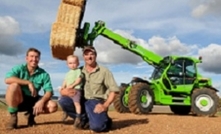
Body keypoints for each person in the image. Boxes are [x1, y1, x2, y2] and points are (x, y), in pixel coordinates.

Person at [58, 46, 120, 132]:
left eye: (92, 54)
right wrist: (63, 91)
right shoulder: (78, 70)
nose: (89, 57)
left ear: (95, 56)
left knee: (97, 127)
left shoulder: (104, 71)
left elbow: (114, 90)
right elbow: (66, 83)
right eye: (86, 54)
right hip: (81, 100)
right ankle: (84, 119)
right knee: (63, 101)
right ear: (83, 57)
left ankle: (105, 121)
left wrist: (105, 105)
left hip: (95, 101)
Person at [4, 47, 58, 129]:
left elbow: (49, 91)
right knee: (13, 86)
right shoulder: (19, 68)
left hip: (33, 99)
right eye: (32, 56)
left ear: (39, 59)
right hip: (19, 99)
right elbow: (7, 79)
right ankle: (13, 117)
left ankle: (31, 115)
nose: (34, 59)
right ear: (26, 58)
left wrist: (41, 101)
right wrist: (28, 83)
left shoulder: (44, 74)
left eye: (37, 57)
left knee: (53, 106)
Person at [59, 55, 83, 128]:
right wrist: (62, 87)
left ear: (78, 63)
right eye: (70, 63)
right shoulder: (68, 73)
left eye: (74, 63)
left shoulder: (78, 70)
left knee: (76, 103)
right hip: (68, 91)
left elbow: (79, 79)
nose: (72, 65)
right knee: (60, 100)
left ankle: (78, 117)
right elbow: (65, 81)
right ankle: (65, 111)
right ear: (67, 64)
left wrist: (73, 85)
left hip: (76, 90)